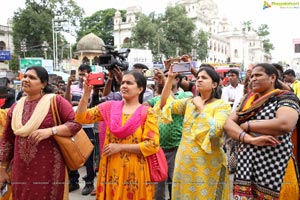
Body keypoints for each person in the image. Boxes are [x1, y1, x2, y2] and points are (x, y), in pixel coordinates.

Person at [75, 70, 160, 200]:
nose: (124, 86)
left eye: (129, 83)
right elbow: (81, 118)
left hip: (135, 170)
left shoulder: (148, 113)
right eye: (123, 82)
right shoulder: (109, 107)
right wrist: (87, 93)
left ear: (140, 89)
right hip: (111, 167)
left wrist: (120, 147)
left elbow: (152, 145)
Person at [0, 66, 81, 200]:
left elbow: (75, 124)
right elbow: (7, 140)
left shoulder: (55, 101)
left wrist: (51, 131)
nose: (26, 80)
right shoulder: (16, 107)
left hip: (48, 168)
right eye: (25, 76)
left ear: (43, 83)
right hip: (20, 169)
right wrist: (2, 169)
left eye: (32, 77)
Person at [224, 63, 300, 199]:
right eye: (252, 76)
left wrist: (248, 125)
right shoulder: (247, 100)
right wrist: (250, 139)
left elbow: (284, 124)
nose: (253, 79)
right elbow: (228, 123)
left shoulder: (285, 98)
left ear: (272, 77)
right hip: (247, 166)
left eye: (258, 75)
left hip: (276, 165)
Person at [158, 66, 231, 199]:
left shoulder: (222, 105)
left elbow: (215, 130)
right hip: (185, 160)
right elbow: (163, 105)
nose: (199, 80)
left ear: (214, 84)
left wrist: (201, 107)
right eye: (197, 78)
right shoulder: (188, 103)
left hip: (208, 163)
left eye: (204, 78)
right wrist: (168, 79)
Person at [145, 69, 193, 200]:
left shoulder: (186, 95)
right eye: (166, 75)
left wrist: (167, 80)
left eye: (170, 76)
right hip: (157, 149)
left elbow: (171, 103)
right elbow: (140, 107)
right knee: (157, 188)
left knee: (175, 186)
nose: (166, 77)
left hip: (176, 148)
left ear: (177, 79)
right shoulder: (156, 99)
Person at [64, 64, 96, 195]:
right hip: (73, 125)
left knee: (88, 155)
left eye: (84, 74)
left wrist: (75, 103)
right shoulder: (72, 87)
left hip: (87, 126)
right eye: (80, 74)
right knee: (72, 153)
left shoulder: (93, 89)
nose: (81, 76)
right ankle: (74, 181)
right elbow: (66, 102)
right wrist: (67, 85)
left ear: (89, 74)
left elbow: (90, 105)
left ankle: (89, 183)